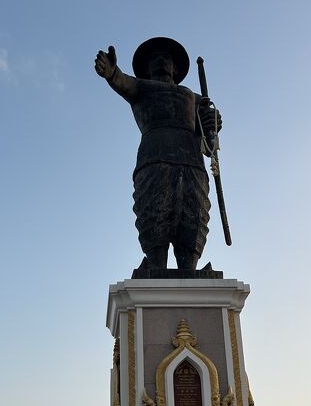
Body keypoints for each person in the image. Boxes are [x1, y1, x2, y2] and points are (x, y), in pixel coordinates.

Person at [94, 38, 221, 271]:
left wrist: (212, 121)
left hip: (191, 162)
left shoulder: (193, 98)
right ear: (147, 68)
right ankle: (155, 267)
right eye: (155, 58)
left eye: (166, 58)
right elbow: (123, 82)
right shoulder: (142, 87)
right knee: (154, 214)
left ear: (175, 68)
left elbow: (208, 129)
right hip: (155, 158)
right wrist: (112, 73)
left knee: (193, 216)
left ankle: (190, 269)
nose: (161, 60)